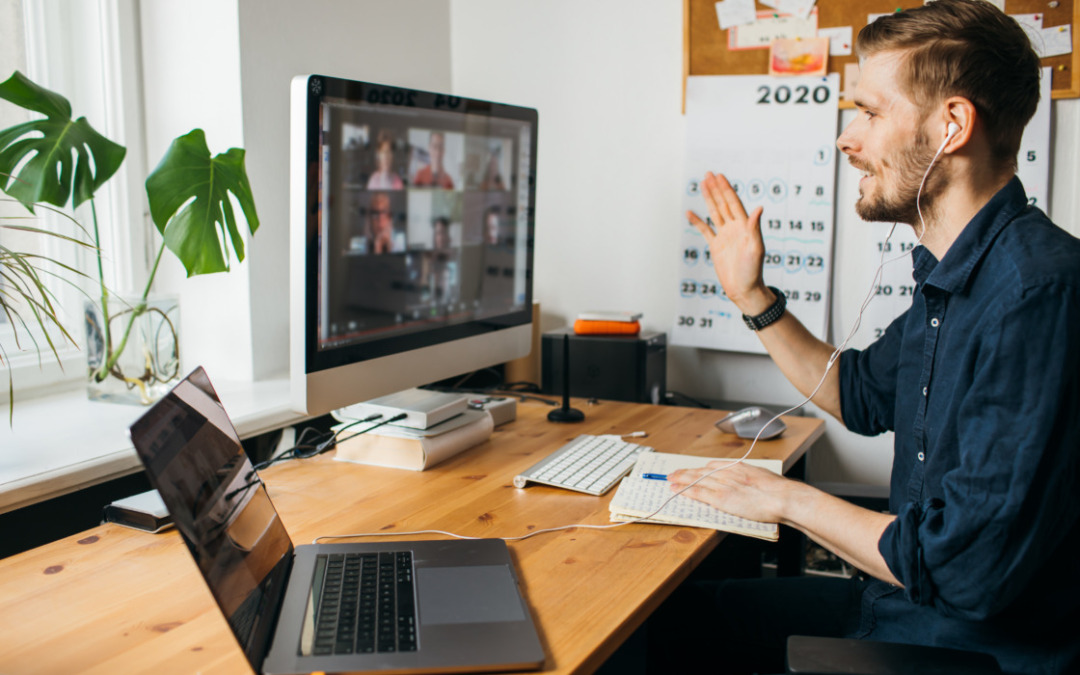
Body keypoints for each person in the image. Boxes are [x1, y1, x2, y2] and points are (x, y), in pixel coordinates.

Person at [653, 1, 1080, 673]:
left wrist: (783, 498)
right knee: (674, 616)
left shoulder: (1036, 292)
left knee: (662, 635)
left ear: (952, 125)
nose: (847, 139)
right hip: (903, 606)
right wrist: (751, 297)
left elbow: (965, 570)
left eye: (871, 113)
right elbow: (858, 393)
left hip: (972, 649)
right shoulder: (958, 273)